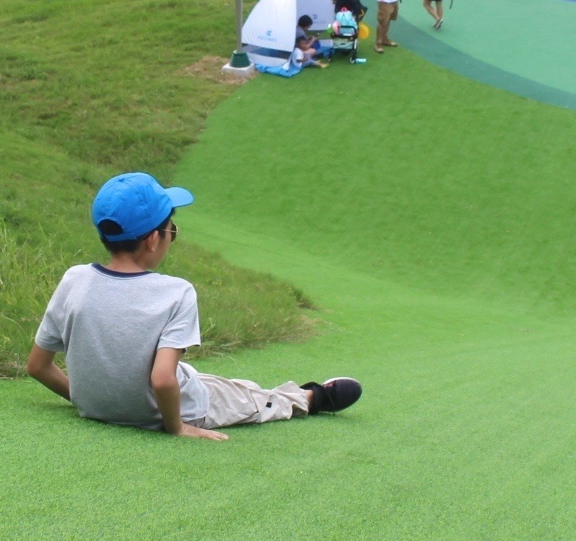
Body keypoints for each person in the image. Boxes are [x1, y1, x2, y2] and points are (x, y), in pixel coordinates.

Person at [28, 174, 363, 441]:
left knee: (229, 384)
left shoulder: (75, 279)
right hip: (174, 408)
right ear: (153, 239)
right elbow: (161, 379)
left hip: (98, 407)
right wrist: (178, 428)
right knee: (253, 401)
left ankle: (259, 390)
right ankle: (309, 398)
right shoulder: (176, 292)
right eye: (172, 228)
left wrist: (92, 402)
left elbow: (38, 366)